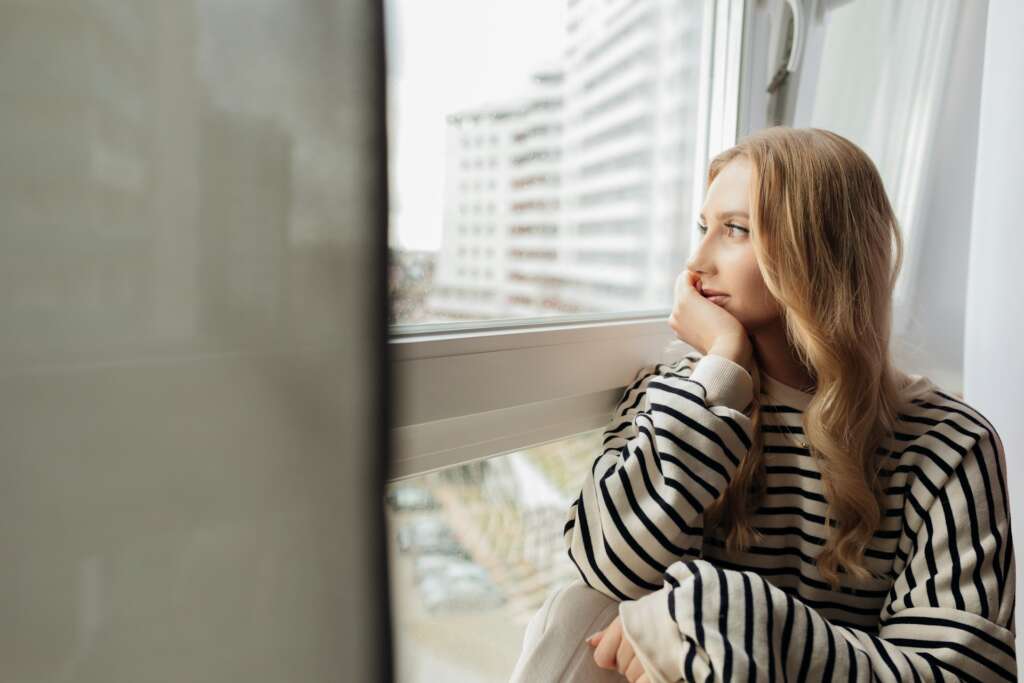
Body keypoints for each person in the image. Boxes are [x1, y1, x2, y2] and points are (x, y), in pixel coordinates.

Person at [509, 127, 1016, 682]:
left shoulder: (948, 443)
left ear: (820, 250)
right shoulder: (680, 397)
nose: (695, 263)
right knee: (578, 612)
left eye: (735, 230)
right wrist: (722, 365)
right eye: (702, 228)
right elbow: (606, 567)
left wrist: (738, 617)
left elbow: (961, 674)